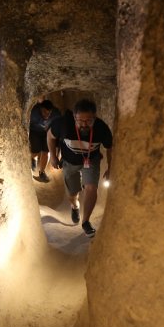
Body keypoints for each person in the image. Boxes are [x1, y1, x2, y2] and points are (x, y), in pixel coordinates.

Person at [47, 99, 112, 238]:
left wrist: (111, 167)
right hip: (69, 162)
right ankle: (75, 207)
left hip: (91, 160)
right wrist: (53, 156)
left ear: (95, 118)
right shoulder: (64, 124)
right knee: (72, 194)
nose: (84, 124)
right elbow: (50, 136)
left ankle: (86, 221)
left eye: (88, 120)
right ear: (74, 117)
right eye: (80, 120)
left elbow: (110, 147)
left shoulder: (101, 128)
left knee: (91, 187)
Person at [29, 99, 60, 182]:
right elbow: (27, 124)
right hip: (35, 131)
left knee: (46, 152)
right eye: (44, 112)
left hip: (48, 133)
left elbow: (59, 126)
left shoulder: (56, 114)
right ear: (40, 108)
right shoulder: (34, 112)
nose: (46, 115)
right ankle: (33, 159)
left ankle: (42, 172)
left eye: (48, 113)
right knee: (35, 151)